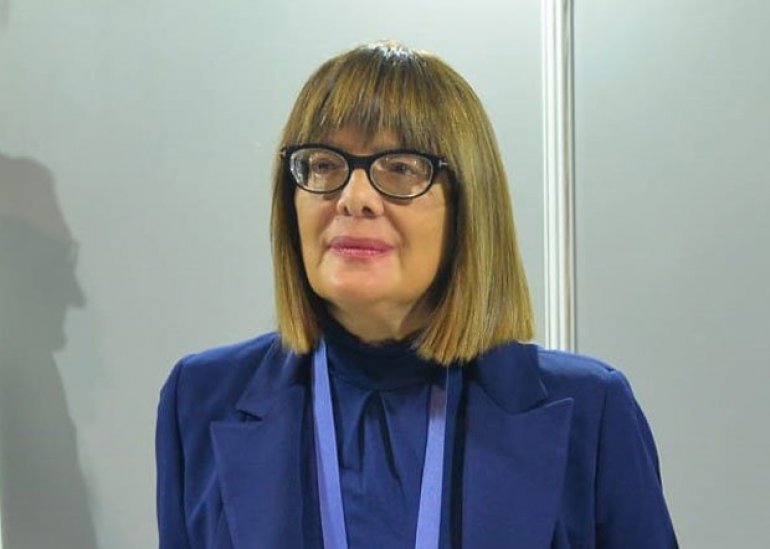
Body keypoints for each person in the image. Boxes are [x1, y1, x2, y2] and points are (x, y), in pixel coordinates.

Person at [156, 41, 678, 548]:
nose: (353, 198)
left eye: (402, 168)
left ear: (469, 205)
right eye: (324, 165)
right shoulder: (201, 398)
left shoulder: (592, 411)